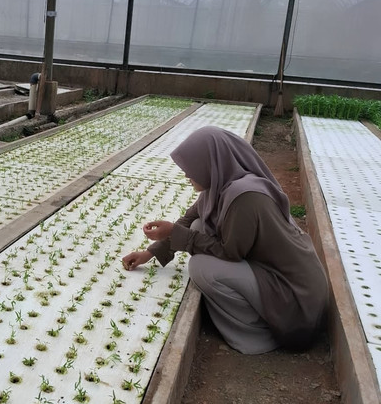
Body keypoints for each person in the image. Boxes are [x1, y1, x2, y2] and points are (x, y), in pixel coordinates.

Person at [122, 125, 329, 354]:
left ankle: (259, 334)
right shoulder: (220, 184)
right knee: (199, 225)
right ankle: (256, 318)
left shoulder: (244, 197)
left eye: (190, 168)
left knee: (201, 267)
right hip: (274, 274)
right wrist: (149, 253)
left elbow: (230, 252)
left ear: (209, 163)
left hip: (295, 300)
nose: (186, 175)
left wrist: (175, 234)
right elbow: (187, 221)